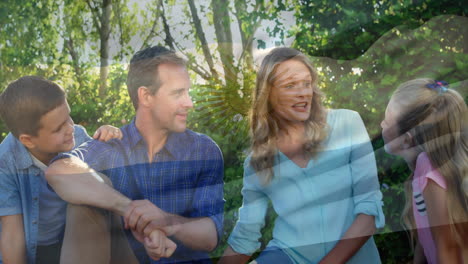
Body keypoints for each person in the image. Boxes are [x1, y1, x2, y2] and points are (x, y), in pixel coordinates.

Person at [45, 46, 225, 263]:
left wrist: (165, 222)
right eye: (178, 93)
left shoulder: (203, 151)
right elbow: (58, 170)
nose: (189, 103)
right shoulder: (111, 145)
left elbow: (210, 237)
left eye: (188, 92)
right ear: (146, 96)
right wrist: (132, 211)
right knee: (83, 202)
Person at [219, 47, 384, 264]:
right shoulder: (257, 161)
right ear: (267, 95)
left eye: (306, 83)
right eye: (290, 86)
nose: (303, 93)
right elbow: (247, 234)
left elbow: (369, 212)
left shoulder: (347, 123)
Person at [0, 76, 130, 264]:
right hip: (37, 249)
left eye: (68, 117)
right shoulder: (5, 162)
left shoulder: (76, 135)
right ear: (28, 140)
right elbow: (12, 235)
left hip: (72, 239)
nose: (70, 128)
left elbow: (99, 179)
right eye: (59, 128)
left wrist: (107, 136)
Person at [380, 79, 467, 263]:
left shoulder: (429, 170)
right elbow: (426, 238)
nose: (381, 125)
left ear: (406, 140)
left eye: (386, 121)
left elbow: (447, 248)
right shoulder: (423, 170)